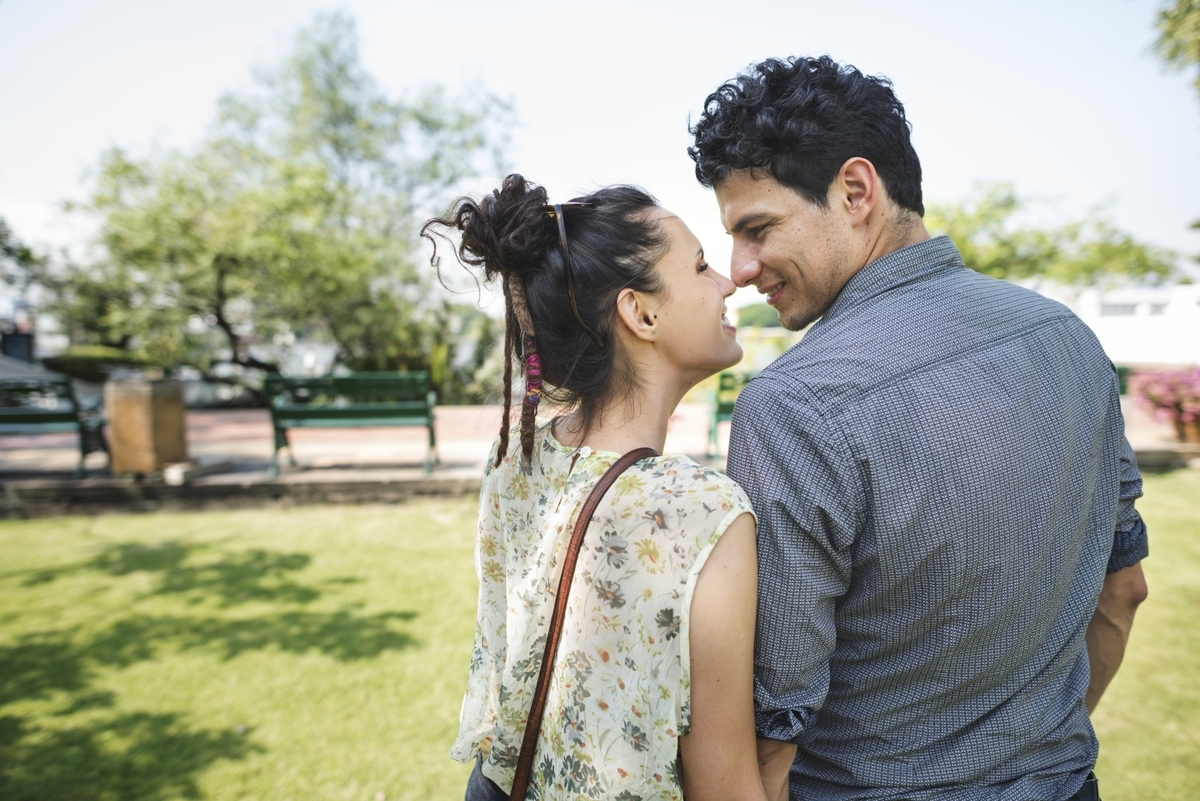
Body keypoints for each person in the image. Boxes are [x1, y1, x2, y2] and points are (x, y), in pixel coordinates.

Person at [688, 56, 1149, 801]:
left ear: (856, 191)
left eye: (759, 228)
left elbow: (774, 722)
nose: (741, 267)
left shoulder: (794, 403)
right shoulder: (1069, 339)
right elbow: (1122, 590)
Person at [423, 175, 777, 800]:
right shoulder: (700, 510)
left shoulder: (517, 456)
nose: (729, 281)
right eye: (699, 267)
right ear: (641, 313)